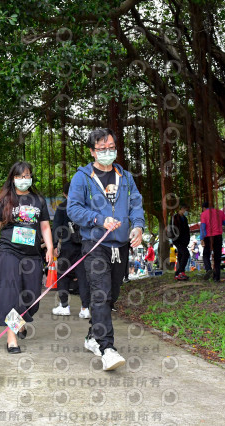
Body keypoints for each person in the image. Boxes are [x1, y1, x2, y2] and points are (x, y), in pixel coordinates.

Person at [67, 128, 145, 371]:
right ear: (92, 152)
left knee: (111, 296)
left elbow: (135, 204)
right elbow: (73, 209)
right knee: (100, 294)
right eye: (102, 149)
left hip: (120, 245)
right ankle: (107, 348)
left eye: (111, 147)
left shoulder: (125, 176)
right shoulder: (82, 177)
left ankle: (92, 336)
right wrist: (98, 219)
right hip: (95, 244)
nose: (108, 152)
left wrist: (138, 227)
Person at [0, 161, 54, 354]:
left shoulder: (38, 200)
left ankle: (19, 323)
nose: (24, 179)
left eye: (27, 175)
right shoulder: (6, 199)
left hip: (32, 254)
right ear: (13, 178)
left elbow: (45, 226)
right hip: (9, 252)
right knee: (10, 295)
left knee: (32, 295)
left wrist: (51, 247)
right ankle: (11, 339)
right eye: (20, 176)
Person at [51, 182, 90, 318]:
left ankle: (64, 306)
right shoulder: (84, 206)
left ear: (64, 194)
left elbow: (56, 227)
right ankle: (85, 308)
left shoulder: (62, 207)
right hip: (83, 247)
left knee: (63, 276)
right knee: (83, 277)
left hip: (66, 246)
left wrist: (55, 245)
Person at [200, 201, 225, 282]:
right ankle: (217, 278)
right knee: (217, 257)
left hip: (208, 237)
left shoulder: (204, 214)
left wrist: (201, 238)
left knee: (206, 254)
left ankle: (208, 269)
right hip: (218, 236)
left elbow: (203, 227)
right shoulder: (220, 212)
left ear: (204, 208)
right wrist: (220, 221)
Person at [168, 203, 191, 281]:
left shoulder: (185, 218)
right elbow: (171, 229)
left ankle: (179, 274)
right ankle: (180, 271)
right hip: (177, 240)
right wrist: (173, 239)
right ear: (181, 209)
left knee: (181, 256)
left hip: (184, 241)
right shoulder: (174, 218)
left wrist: (187, 240)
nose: (186, 211)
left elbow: (187, 230)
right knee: (186, 253)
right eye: (185, 210)